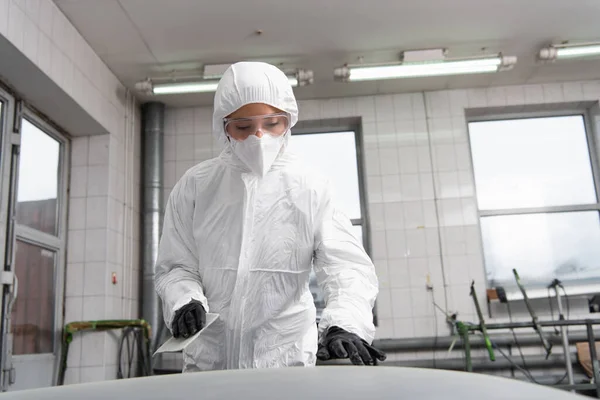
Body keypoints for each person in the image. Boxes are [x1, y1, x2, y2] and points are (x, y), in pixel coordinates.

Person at [155, 61, 385, 371]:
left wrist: (344, 322)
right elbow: (176, 266)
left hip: (284, 361)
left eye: (272, 123)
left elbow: (346, 266)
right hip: (210, 363)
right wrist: (184, 300)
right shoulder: (196, 186)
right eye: (244, 127)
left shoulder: (310, 186)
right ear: (223, 127)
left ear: (288, 120)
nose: (259, 137)